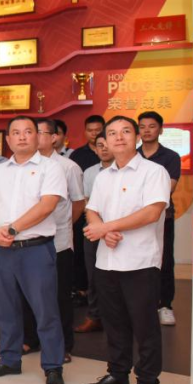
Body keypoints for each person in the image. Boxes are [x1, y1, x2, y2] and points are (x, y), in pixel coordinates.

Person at [82, 116, 171, 384]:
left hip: (140, 262)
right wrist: (102, 228)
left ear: (137, 137)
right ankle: (118, 374)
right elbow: (92, 209)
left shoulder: (153, 172)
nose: (118, 137)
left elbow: (152, 212)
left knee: (144, 326)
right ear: (104, 141)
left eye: (125, 132)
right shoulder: (104, 175)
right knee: (114, 322)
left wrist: (106, 228)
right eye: (112, 133)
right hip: (107, 261)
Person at [0, 116, 67, 384]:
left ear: (38, 136)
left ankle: (52, 367)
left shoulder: (51, 168)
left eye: (28, 131)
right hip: (1, 249)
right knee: (5, 309)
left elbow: (47, 205)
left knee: (45, 310)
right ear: (8, 139)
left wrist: (12, 229)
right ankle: (9, 359)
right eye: (15, 133)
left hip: (35, 249)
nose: (22, 137)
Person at [22, 119, 85, 363]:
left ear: (54, 137)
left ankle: (64, 345)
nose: (32, 136)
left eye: (38, 132)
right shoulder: (21, 166)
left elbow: (78, 203)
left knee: (58, 296)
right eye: (30, 132)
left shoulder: (68, 167)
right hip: (27, 240)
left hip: (58, 242)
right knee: (28, 293)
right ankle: (31, 338)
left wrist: (64, 226)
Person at [137, 111, 181, 326]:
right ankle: (143, 305)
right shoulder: (132, 155)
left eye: (152, 126)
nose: (147, 130)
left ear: (161, 130)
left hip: (162, 217)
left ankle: (165, 305)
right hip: (134, 219)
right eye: (142, 126)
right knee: (138, 262)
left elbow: (167, 188)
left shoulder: (170, 157)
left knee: (164, 261)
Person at [75, 132, 114, 334]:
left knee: (118, 277)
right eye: (100, 145)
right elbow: (86, 203)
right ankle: (94, 316)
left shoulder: (127, 171)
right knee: (93, 275)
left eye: (107, 144)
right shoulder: (90, 173)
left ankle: (118, 319)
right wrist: (98, 226)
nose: (104, 148)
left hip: (120, 230)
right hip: (93, 229)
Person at [70, 115, 106, 303]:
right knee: (88, 262)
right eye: (90, 130)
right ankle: (87, 298)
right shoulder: (79, 158)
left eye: (98, 130)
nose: (94, 134)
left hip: (117, 224)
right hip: (88, 220)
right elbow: (83, 197)